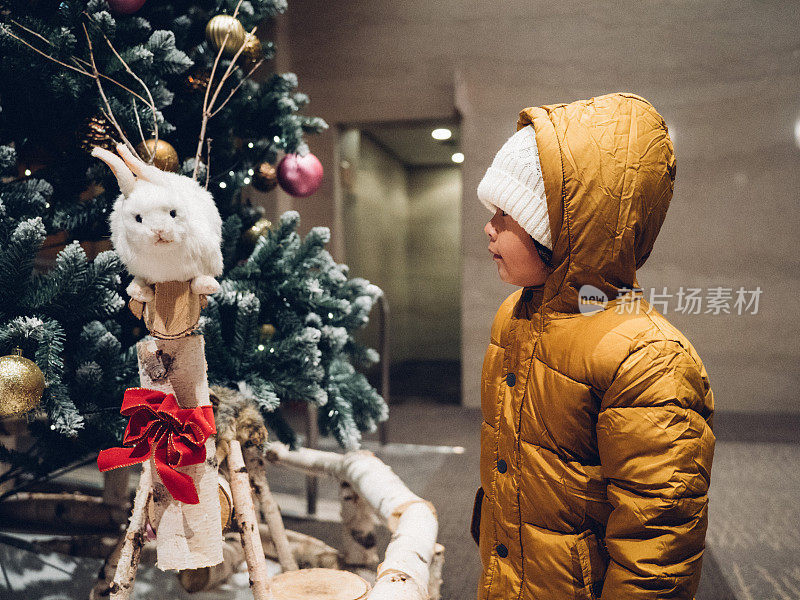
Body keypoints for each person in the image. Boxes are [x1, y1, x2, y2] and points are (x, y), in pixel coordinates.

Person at [472, 92, 715, 600]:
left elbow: (657, 542)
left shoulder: (647, 357)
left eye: (506, 214)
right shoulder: (515, 316)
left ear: (560, 229)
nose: (488, 228)